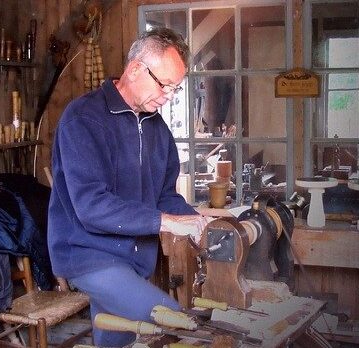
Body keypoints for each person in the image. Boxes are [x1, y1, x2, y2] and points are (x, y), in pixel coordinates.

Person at [47, 27, 209, 347]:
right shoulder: (83, 118)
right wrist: (166, 222)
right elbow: (92, 205)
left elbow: (164, 195)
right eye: (165, 85)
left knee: (114, 342)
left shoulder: (156, 128)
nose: (168, 96)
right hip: (89, 256)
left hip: (134, 259)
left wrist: (199, 223)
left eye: (175, 89)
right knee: (181, 327)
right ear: (135, 69)